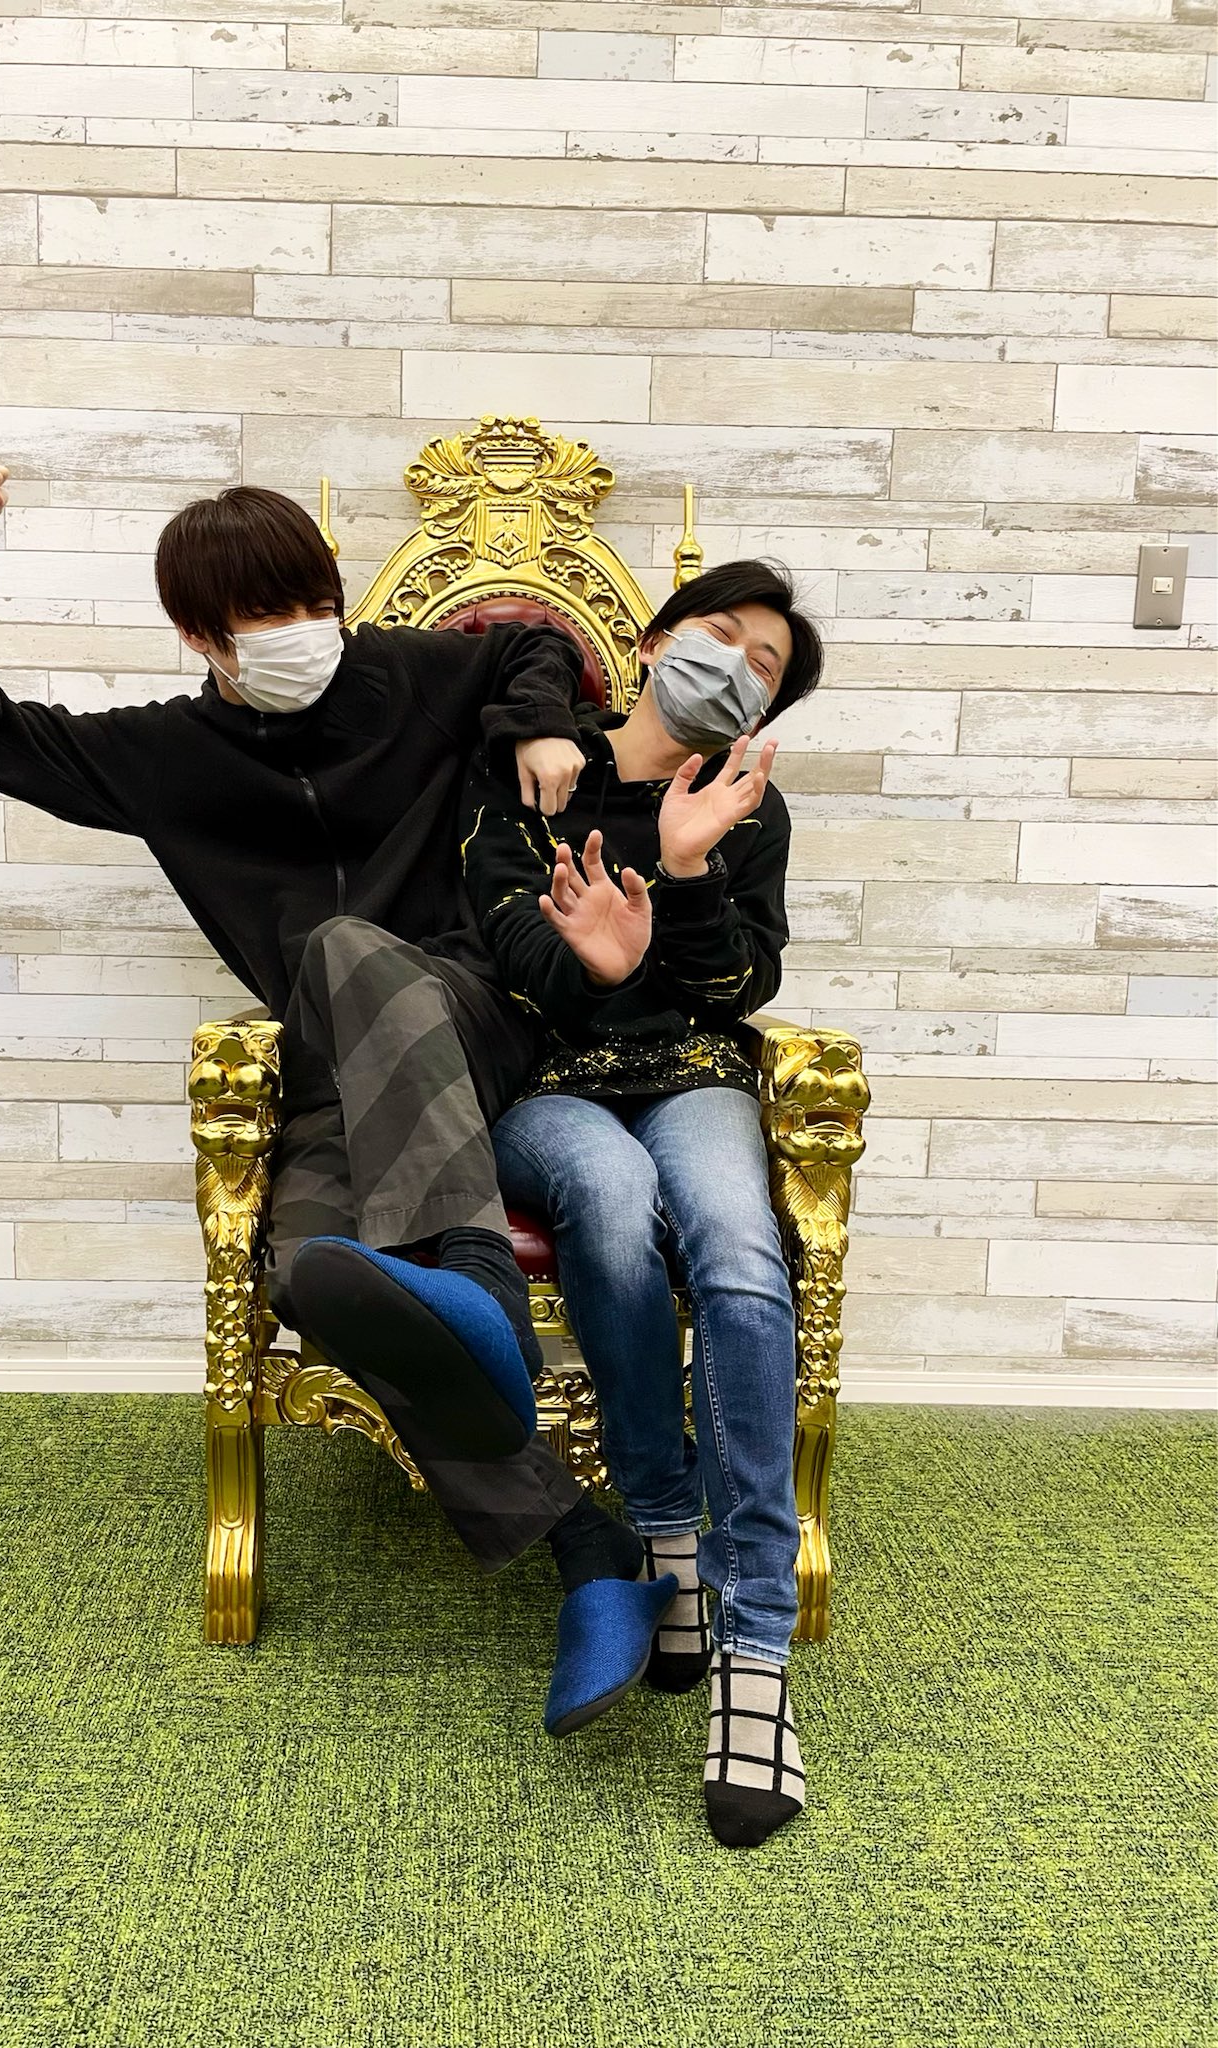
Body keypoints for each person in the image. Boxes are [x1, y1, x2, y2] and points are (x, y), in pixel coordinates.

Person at [0, 454, 679, 1733]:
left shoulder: (413, 676)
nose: (304, 629)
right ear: (199, 634)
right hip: (332, 1079)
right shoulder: (167, 754)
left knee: (343, 944)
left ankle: (478, 1286)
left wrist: (538, 719)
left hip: (476, 1017)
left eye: (315, 602)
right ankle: (587, 1550)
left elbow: (530, 641)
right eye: (265, 615)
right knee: (316, 1272)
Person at [460, 561, 825, 1845]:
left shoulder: (742, 809)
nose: (735, 665)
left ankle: (754, 1636)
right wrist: (601, 963)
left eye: (763, 668)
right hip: (548, 1081)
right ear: (658, 638)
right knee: (609, 1197)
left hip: (693, 1074)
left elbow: (739, 989)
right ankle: (663, 1524)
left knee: (738, 1248)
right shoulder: (533, 774)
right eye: (721, 635)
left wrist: (686, 867)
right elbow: (510, 962)